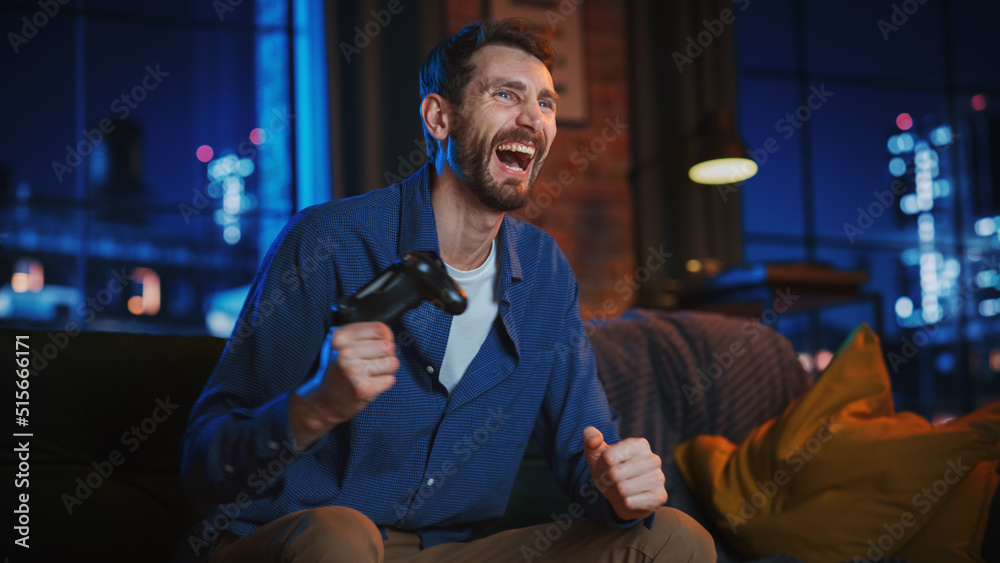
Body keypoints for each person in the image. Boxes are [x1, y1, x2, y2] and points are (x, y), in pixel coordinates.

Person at [179, 19, 715, 562]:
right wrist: (315, 407)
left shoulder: (546, 272)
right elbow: (204, 464)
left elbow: (586, 454)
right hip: (292, 541)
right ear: (440, 117)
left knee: (675, 538)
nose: (533, 118)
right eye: (506, 95)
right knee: (341, 538)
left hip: (441, 554)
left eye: (547, 104)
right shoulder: (327, 241)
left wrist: (620, 489)